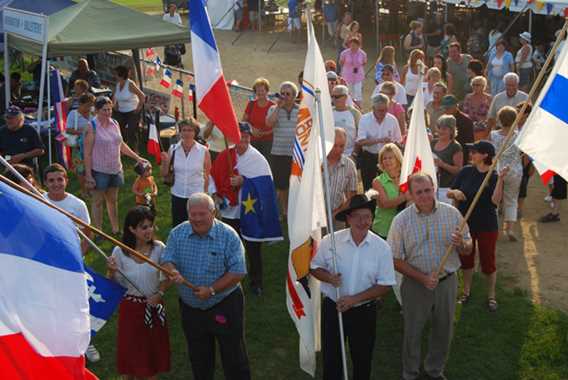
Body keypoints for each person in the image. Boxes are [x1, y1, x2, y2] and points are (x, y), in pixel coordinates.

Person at [388, 173, 472, 380]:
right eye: (419, 192)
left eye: (427, 190)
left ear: (434, 188)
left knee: (443, 329)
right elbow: (394, 260)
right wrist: (422, 278)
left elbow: (469, 248)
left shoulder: (452, 214)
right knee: (413, 331)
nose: (424, 196)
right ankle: (410, 372)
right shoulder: (401, 221)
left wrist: (462, 243)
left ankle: (434, 369)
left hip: (447, 282)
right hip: (415, 284)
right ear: (410, 195)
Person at [162, 193, 250, 380]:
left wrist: (211, 290)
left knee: (234, 355)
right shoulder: (177, 234)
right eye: (193, 214)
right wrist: (172, 270)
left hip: (224, 303)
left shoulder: (228, 236)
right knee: (199, 356)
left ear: (213, 212)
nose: (197, 219)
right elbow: (167, 259)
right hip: (191, 308)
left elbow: (238, 271)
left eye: (202, 214)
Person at [311, 194, 396, 380]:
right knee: (332, 358)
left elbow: (385, 285)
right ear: (348, 219)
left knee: (362, 358)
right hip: (333, 309)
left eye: (366, 216)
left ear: (372, 218)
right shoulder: (330, 241)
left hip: (363, 312)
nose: (362, 221)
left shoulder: (382, 248)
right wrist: (329, 278)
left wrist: (353, 300)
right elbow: (314, 268)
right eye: (356, 216)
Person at [213, 122, 278, 295]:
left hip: (250, 212)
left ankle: (256, 282)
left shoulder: (257, 159)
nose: (243, 142)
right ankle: (230, 280)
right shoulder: (225, 155)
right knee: (230, 247)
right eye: (240, 138)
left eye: (246, 139)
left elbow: (266, 186)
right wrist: (215, 194)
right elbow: (214, 177)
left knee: (253, 248)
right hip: (230, 211)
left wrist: (244, 181)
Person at [42, 163, 99, 361]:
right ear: (45, 183)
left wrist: (78, 256)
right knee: (52, 301)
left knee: (77, 302)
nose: (56, 184)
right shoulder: (39, 201)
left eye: (60, 179)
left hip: (72, 262)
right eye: (51, 180)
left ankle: (86, 342)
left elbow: (88, 234)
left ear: (66, 180)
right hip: (47, 262)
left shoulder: (77, 205)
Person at [107, 206, 171, 378]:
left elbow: (167, 277)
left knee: (151, 357)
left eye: (151, 225)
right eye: (143, 227)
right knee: (131, 356)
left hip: (153, 306)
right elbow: (113, 285)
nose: (149, 230)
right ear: (132, 229)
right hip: (130, 309)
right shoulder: (119, 251)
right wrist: (111, 271)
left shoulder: (159, 248)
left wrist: (160, 294)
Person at [448, 141, 506, 312]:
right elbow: (451, 191)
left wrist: (501, 180)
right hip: (466, 224)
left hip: (487, 225)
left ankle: (491, 295)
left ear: (485, 155)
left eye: (475, 152)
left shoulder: (493, 176)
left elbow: (495, 202)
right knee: (467, 258)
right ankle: (466, 292)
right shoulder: (466, 171)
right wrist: (455, 193)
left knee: (488, 261)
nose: (471, 154)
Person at [83, 96, 147, 235]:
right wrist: (88, 175)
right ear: (97, 111)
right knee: (98, 202)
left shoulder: (115, 124)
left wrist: (137, 157)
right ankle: (98, 231)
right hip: (99, 170)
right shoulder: (91, 126)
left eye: (109, 110)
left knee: (113, 200)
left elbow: (121, 145)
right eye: (104, 110)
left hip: (116, 169)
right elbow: (87, 154)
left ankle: (115, 229)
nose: (107, 113)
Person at [160, 118, 211, 227]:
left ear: (195, 132)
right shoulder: (173, 149)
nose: (187, 133)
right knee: (178, 225)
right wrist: (164, 162)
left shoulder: (203, 151)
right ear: (180, 132)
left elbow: (207, 175)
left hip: (196, 196)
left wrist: (206, 195)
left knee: (197, 225)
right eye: (184, 130)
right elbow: (164, 174)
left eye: (190, 130)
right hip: (177, 194)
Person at [266, 81, 300, 216]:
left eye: (288, 94)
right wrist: (278, 108)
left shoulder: (301, 110)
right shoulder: (274, 109)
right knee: (282, 185)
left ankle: (295, 210)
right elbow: (269, 123)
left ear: (294, 96)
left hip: (296, 153)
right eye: (282, 93)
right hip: (279, 152)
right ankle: (285, 211)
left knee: (296, 183)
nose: (284, 96)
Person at [490, 106, 523, 241]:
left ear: (499, 119)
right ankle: (509, 229)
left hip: (498, 169)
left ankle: (495, 228)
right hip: (514, 170)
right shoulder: (519, 136)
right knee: (511, 200)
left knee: (494, 200)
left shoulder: (493, 135)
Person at [356, 94, 402, 191]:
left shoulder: (392, 120)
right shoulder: (364, 119)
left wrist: (393, 144)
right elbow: (361, 141)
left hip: (388, 159)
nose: (383, 113)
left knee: (389, 187)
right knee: (369, 188)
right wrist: (380, 140)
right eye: (380, 110)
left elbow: (398, 140)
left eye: (385, 110)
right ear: (373, 108)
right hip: (369, 157)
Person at [371, 143, 406, 239]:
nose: (387, 161)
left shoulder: (406, 177)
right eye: (384, 158)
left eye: (391, 157)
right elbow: (385, 204)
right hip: (384, 230)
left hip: (404, 229)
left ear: (397, 159)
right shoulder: (377, 181)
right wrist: (405, 196)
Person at [65, 93, 96, 196]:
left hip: (93, 145)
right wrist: (84, 132)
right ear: (80, 104)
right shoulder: (73, 114)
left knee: (92, 167)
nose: (89, 108)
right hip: (79, 147)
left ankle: (92, 187)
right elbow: (68, 129)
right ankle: (84, 190)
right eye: (87, 105)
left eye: (91, 105)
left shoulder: (93, 114)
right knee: (81, 169)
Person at [327, 128, 358, 228]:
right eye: (335, 145)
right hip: (315, 215)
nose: (338, 150)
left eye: (341, 146)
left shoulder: (349, 165)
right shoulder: (317, 162)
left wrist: (337, 213)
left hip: (338, 215)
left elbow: (352, 197)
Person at [431, 115, 464, 203]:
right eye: (439, 128)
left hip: (447, 189)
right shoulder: (432, 143)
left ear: (451, 131)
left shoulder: (455, 147)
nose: (441, 131)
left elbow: (458, 170)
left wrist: (442, 164)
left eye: (444, 129)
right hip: (432, 187)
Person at [112, 65, 145, 152]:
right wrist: (114, 106)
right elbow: (115, 97)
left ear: (121, 75)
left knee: (131, 130)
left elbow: (142, 96)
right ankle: (122, 149)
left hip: (132, 111)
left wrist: (138, 108)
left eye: (115, 74)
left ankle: (136, 151)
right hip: (121, 111)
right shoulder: (117, 85)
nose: (114, 75)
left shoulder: (130, 84)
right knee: (117, 129)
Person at [243, 77, 275, 159]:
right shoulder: (251, 104)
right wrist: (252, 129)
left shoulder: (273, 106)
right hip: (252, 140)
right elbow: (244, 121)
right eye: (258, 90)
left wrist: (264, 133)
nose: (260, 93)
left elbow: (277, 126)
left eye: (262, 90)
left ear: (267, 91)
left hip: (268, 142)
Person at [516, 102, 534, 217]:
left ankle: (519, 209)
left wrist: (529, 164)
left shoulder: (530, 129)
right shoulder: (513, 125)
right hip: (513, 159)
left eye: (519, 112)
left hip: (525, 161)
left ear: (526, 114)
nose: (517, 114)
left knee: (522, 187)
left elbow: (532, 148)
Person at [332, 85, 361, 158]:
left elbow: (360, 134)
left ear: (345, 97)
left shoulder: (355, 113)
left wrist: (354, 154)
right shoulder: (328, 112)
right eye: (333, 96)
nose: (334, 99)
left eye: (337, 97)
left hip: (350, 154)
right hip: (331, 154)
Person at [339, 37, 367, 107]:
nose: (352, 47)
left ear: (358, 45)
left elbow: (364, 62)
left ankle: (359, 107)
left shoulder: (362, 53)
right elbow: (341, 62)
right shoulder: (344, 53)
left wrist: (358, 66)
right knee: (349, 91)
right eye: (351, 45)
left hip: (358, 76)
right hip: (347, 75)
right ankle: (349, 106)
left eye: (354, 45)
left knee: (358, 91)